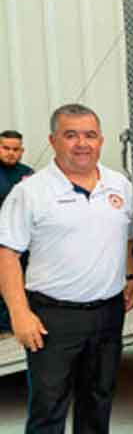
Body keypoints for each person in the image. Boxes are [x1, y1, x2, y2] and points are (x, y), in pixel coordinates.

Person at [0, 104, 133, 434]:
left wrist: (131, 279)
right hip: (52, 316)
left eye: (90, 134)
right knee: (48, 409)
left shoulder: (119, 184)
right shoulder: (30, 190)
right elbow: (7, 254)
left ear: (100, 138)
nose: (82, 144)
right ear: (53, 141)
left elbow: (127, 238)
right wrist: (19, 313)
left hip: (108, 312)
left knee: (98, 399)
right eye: (72, 135)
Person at [0, 130, 33, 333]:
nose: (11, 153)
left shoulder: (28, 174)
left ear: (22, 151)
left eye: (15, 149)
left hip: (21, 241)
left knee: (20, 282)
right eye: (6, 148)